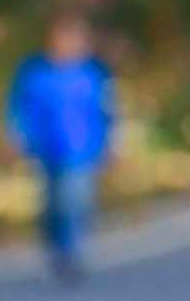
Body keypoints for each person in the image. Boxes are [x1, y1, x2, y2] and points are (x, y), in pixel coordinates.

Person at [6, 22, 115, 281]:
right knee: (52, 203)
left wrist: (111, 145)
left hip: (82, 151)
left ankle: (72, 252)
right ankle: (56, 249)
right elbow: (20, 109)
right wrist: (18, 137)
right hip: (45, 149)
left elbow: (107, 112)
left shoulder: (93, 74)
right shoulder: (35, 73)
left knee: (76, 200)